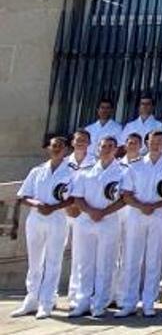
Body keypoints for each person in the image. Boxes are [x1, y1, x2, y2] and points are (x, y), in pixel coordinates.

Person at [116, 131, 162, 318]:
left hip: (159, 215)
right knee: (132, 259)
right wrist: (142, 206)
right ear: (147, 142)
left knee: (153, 259)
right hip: (137, 214)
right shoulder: (134, 166)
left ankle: (149, 302)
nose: (156, 144)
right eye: (153, 141)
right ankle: (129, 302)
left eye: (160, 141)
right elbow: (126, 193)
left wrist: (155, 205)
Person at [12, 136, 76, 320]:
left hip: (57, 218)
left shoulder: (71, 172)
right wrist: (37, 204)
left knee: (53, 261)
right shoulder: (37, 170)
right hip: (36, 217)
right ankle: (31, 299)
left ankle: (47, 302)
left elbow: (73, 198)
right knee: (34, 261)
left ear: (66, 150)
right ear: (48, 148)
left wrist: (53, 207)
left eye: (60, 146)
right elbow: (24, 195)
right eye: (53, 146)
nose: (56, 149)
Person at [66, 136, 128, 318]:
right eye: (103, 146)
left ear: (116, 150)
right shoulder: (86, 171)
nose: (106, 149)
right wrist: (90, 211)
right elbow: (77, 196)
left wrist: (104, 212)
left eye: (110, 146)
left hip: (108, 221)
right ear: (97, 149)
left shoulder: (123, 172)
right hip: (86, 220)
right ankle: (82, 301)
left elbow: (125, 198)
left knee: (105, 264)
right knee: (85, 263)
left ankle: (100, 303)